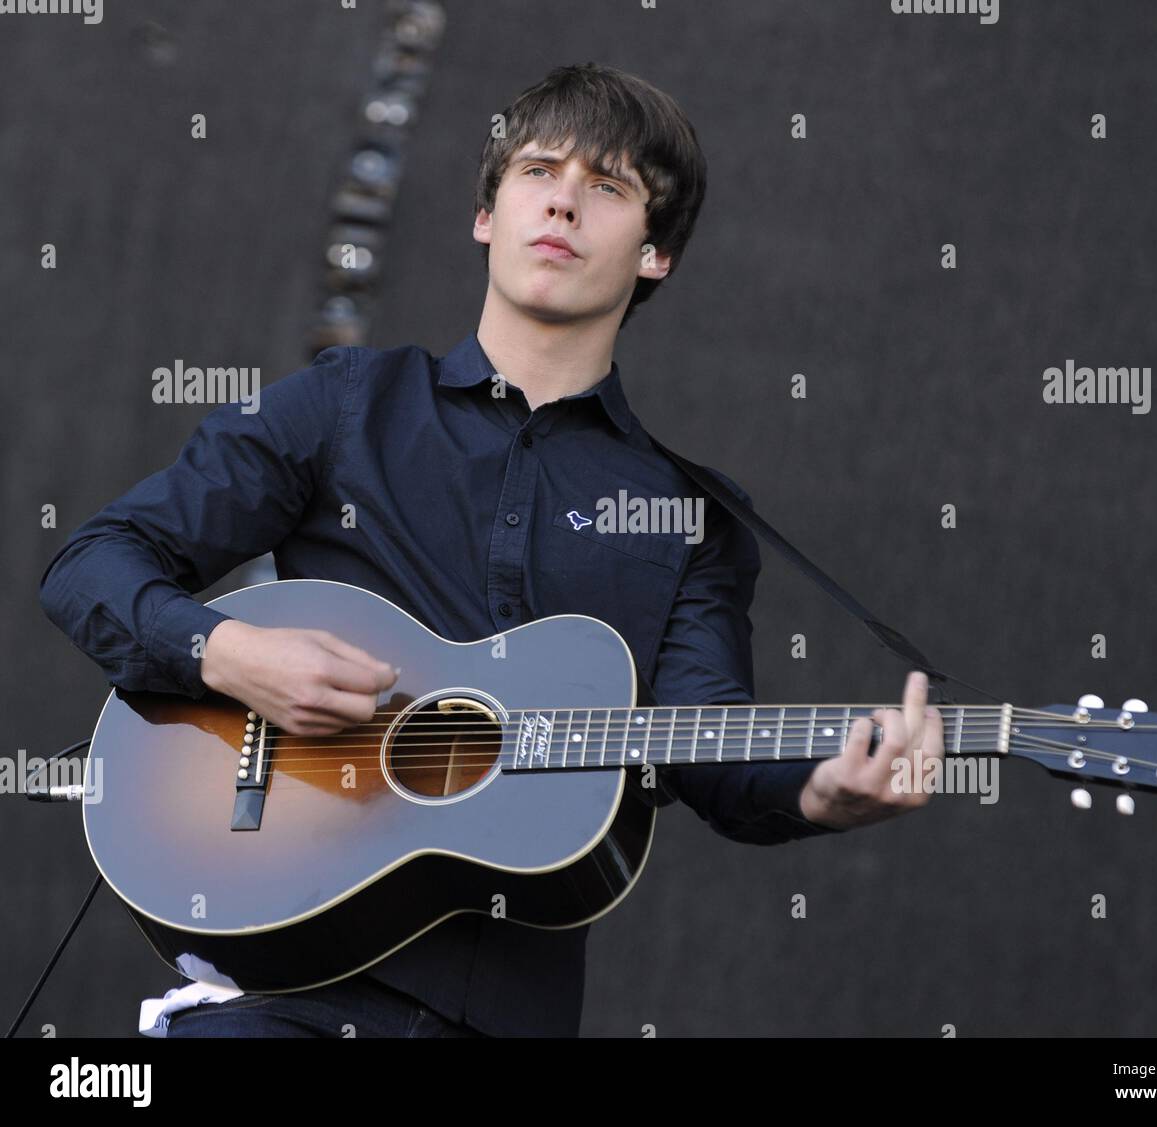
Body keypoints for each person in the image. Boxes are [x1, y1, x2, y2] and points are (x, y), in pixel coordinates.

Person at [39, 62, 944, 1038]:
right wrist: (231, 654)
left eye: (608, 186)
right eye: (538, 170)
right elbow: (94, 560)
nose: (563, 198)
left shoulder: (692, 516)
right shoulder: (346, 405)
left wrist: (822, 789)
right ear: (486, 214)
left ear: (655, 254)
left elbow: (708, 747)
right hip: (277, 989)